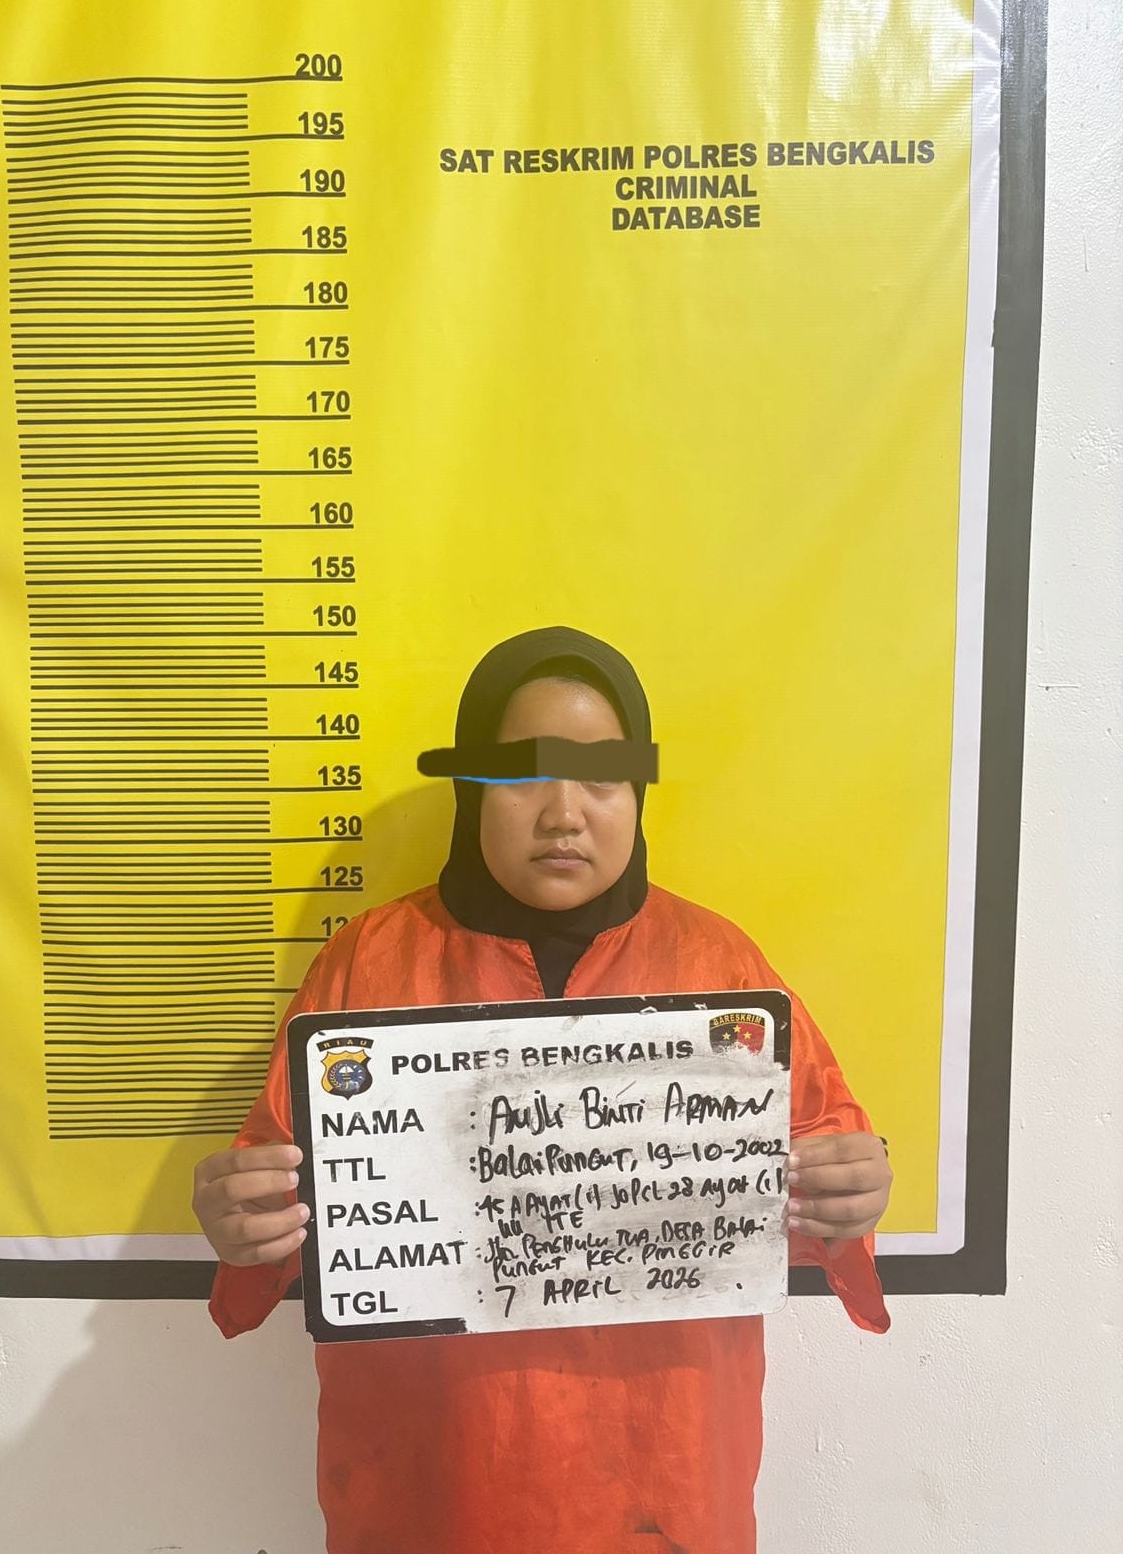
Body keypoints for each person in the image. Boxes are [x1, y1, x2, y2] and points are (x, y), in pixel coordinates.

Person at [195, 626, 891, 1554]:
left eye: (601, 775)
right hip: (432, 1487)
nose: (564, 813)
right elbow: (277, 1194)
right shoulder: (367, 963)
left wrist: (851, 1191)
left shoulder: (721, 970)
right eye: (523, 774)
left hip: (666, 1474)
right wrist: (245, 1219)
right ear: (470, 790)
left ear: (638, 793)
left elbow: (817, 1166)